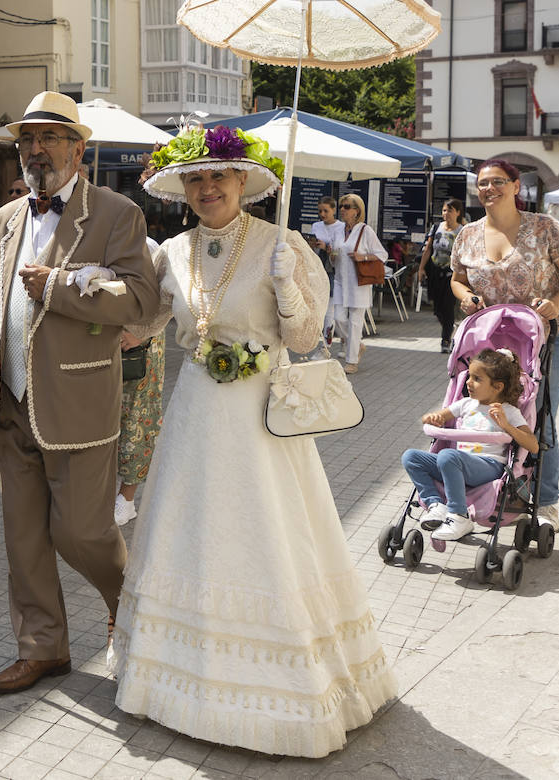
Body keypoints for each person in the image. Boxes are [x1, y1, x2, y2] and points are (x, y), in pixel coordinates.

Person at [111, 123, 396, 757]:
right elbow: (146, 323)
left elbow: (301, 341)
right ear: (184, 187)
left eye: (220, 175)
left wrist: (288, 283)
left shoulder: (282, 243)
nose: (208, 186)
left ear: (243, 182)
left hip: (260, 417)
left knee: (265, 532)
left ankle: (284, 689)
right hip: (192, 417)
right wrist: (84, 297)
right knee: (190, 531)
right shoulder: (171, 251)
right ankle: (176, 684)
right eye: (197, 177)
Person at [0, 91, 159, 695]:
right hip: (9, 404)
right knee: (24, 541)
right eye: (26, 140)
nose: (35, 150)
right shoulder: (3, 219)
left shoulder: (118, 214)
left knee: (81, 534)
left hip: (78, 405)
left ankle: (134, 606)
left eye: (48, 138)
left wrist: (61, 286)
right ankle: (43, 649)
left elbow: (141, 300)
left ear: (78, 147)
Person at [450, 158, 559, 533]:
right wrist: (465, 296)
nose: (489, 189)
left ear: (516, 186)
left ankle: (545, 502)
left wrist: (556, 303)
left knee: (539, 420)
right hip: (488, 349)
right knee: (485, 417)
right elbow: (458, 278)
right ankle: (498, 492)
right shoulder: (467, 234)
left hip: (542, 342)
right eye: (482, 183)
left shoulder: (545, 228)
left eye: (498, 181)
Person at [401, 348, 538, 542]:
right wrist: (432, 418)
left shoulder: (508, 411)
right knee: (411, 457)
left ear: (497, 387)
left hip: (488, 466)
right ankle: (436, 505)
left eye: (476, 379)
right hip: (455, 464)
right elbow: (437, 416)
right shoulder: (465, 404)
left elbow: (533, 445)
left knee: (449, 456)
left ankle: (459, 516)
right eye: (469, 376)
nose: (468, 382)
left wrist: (506, 426)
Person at [114, 237, 164, 527]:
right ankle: (104, 494)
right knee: (103, 421)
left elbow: (165, 298)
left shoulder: (150, 248)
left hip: (142, 346)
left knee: (138, 419)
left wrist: (141, 335)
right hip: (103, 343)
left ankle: (126, 499)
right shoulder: (96, 244)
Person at [330, 193, 387, 373]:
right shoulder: (338, 230)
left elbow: (382, 255)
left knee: (355, 323)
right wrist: (332, 256)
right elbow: (335, 258)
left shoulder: (365, 230)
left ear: (357, 211)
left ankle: (352, 360)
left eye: (346, 207)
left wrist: (363, 256)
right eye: (341, 206)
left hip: (358, 282)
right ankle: (358, 345)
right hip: (340, 280)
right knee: (337, 318)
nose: (342, 210)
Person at [417, 198, 466, 352]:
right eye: (444, 210)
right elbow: (428, 248)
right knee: (437, 307)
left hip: (452, 274)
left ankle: (445, 340)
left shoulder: (462, 231)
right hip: (434, 270)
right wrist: (421, 268)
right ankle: (448, 325)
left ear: (458, 212)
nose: (446, 213)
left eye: (450, 210)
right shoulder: (436, 227)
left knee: (448, 307)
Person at [311, 196, 341, 340]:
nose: (322, 214)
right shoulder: (316, 226)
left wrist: (326, 248)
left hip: (333, 271)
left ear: (334, 210)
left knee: (331, 311)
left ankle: (326, 347)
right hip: (317, 269)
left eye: (326, 211)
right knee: (320, 309)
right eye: (320, 211)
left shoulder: (341, 227)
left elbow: (340, 252)